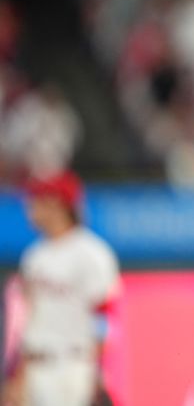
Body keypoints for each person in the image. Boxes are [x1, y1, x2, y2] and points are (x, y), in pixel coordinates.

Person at [1, 171, 120, 406]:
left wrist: (96, 373)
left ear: (56, 203)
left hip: (72, 366)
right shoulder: (34, 257)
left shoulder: (92, 253)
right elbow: (31, 323)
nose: (29, 208)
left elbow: (106, 317)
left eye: (36, 201)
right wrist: (19, 377)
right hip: (36, 366)